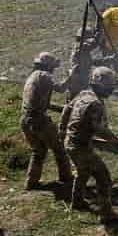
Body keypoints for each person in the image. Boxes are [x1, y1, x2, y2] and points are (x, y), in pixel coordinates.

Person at [59, 67, 118, 223]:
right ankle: (106, 214)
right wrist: (115, 140)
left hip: (70, 142)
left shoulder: (83, 94)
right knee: (103, 177)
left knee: (83, 172)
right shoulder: (96, 104)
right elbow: (99, 129)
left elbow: (66, 109)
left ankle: (77, 202)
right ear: (101, 86)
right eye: (109, 86)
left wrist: (62, 129)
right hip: (80, 147)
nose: (111, 89)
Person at [20, 52, 73, 190]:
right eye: (53, 66)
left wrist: (65, 109)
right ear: (47, 65)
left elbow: (44, 103)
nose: (54, 69)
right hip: (38, 120)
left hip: (26, 120)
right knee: (59, 149)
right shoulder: (44, 75)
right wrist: (71, 76)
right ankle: (66, 177)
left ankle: (31, 182)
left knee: (38, 151)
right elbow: (61, 88)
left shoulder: (33, 77)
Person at [66, 28, 101, 101]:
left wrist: (108, 59)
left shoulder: (84, 50)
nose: (90, 40)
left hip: (81, 77)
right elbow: (93, 45)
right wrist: (97, 36)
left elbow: (91, 62)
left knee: (79, 98)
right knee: (74, 99)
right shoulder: (81, 46)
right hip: (77, 78)